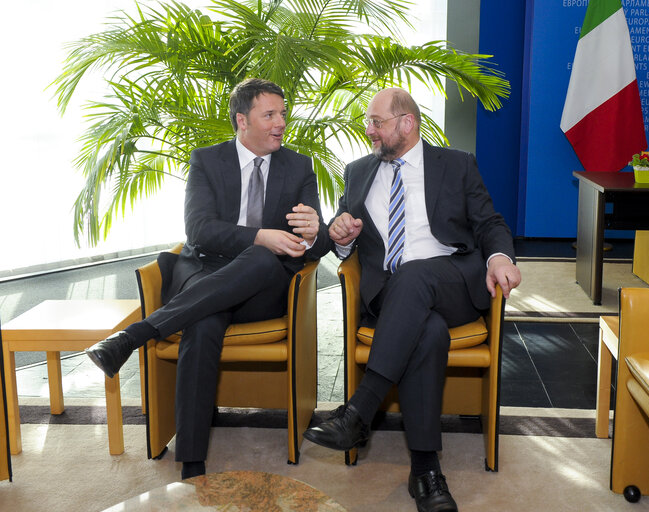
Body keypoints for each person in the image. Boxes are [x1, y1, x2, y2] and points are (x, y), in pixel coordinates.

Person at [86, 78, 329, 480]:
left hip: (262, 290)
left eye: (282, 113)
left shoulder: (298, 166)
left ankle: (135, 335)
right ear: (242, 120)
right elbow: (198, 230)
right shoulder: (206, 160)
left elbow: (314, 246)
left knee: (263, 260)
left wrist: (314, 231)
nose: (280, 123)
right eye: (269, 114)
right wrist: (259, 235)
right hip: (205, 273)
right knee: (202, 321)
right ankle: (192, 466)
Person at [303, 88, 521, 512]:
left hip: (454, 282)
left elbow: (489, 221)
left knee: (418, 272)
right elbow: (342, 240)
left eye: (376, 122)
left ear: (407, 123)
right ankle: (425, 472)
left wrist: (499, 257)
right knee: (427, 332)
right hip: (391, 296)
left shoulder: (456, 164)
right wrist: (341, 236)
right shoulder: (358, 171)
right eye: (368, 123)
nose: (368, 131)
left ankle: (359, 411)